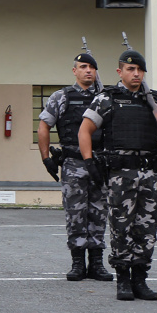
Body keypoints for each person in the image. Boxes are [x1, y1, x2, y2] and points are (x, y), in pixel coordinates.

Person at [79, 49, 157, 301]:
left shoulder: (154, 100)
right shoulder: (107, 99)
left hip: (149, 173)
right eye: (130, 69)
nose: (136, 74)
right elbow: (84, 130)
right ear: (120, 71)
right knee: (121, 226)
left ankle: (140, 279)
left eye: (140, 70)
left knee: (147, 227)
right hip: (120, 174)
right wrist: (89, 162)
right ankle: (123, 279)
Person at [38, 53, 112, 282]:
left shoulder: (106, 97)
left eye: (92, 67)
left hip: (100, 162)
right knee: (75, 213)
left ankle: (97, 263)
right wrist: (46, 159)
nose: (88, 70)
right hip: (73, 163)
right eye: (83, 66)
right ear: (74, 71)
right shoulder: (61, 97)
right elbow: (44, 126)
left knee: (99, 213)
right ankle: (78, 262)